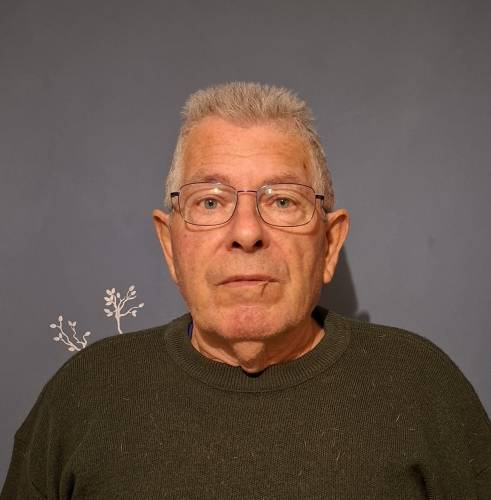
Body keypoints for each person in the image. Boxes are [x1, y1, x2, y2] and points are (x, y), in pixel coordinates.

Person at [1, 82, 490, 499]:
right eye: (210, 202)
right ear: (170, 245)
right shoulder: (85, 395)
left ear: (329, 244)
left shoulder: (422, 389)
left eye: (282, 201)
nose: (248, 232)